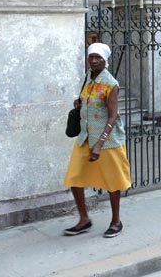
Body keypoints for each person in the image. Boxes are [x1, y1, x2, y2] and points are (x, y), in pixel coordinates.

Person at [63, 42, 131, 238]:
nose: (93, 61)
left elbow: (112, 116)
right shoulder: (88, 77)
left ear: (105, 60)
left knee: (113, 182)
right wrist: (80, 103)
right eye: (91, 57)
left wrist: (99, 144)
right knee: (74, 178)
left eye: (97, 58)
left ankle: (116, 221)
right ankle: (84, 219)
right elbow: (87, 100)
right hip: (85, 137)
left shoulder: (111, 84)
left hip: (107, 141)